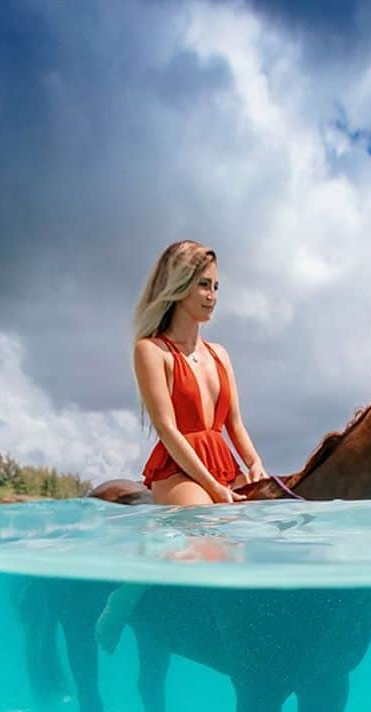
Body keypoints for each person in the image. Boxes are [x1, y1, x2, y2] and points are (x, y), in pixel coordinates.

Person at [97, 240, 266, 651]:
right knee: (206, 539)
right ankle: (125, 596)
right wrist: (211, 485)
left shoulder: (221, 354)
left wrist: (255, 465)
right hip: (179, 468)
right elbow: (167, 429)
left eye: (216, 287)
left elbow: (235, 423)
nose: (212, 297)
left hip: (222, 464)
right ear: (179, 287)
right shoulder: (151, 351)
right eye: (203, 286)